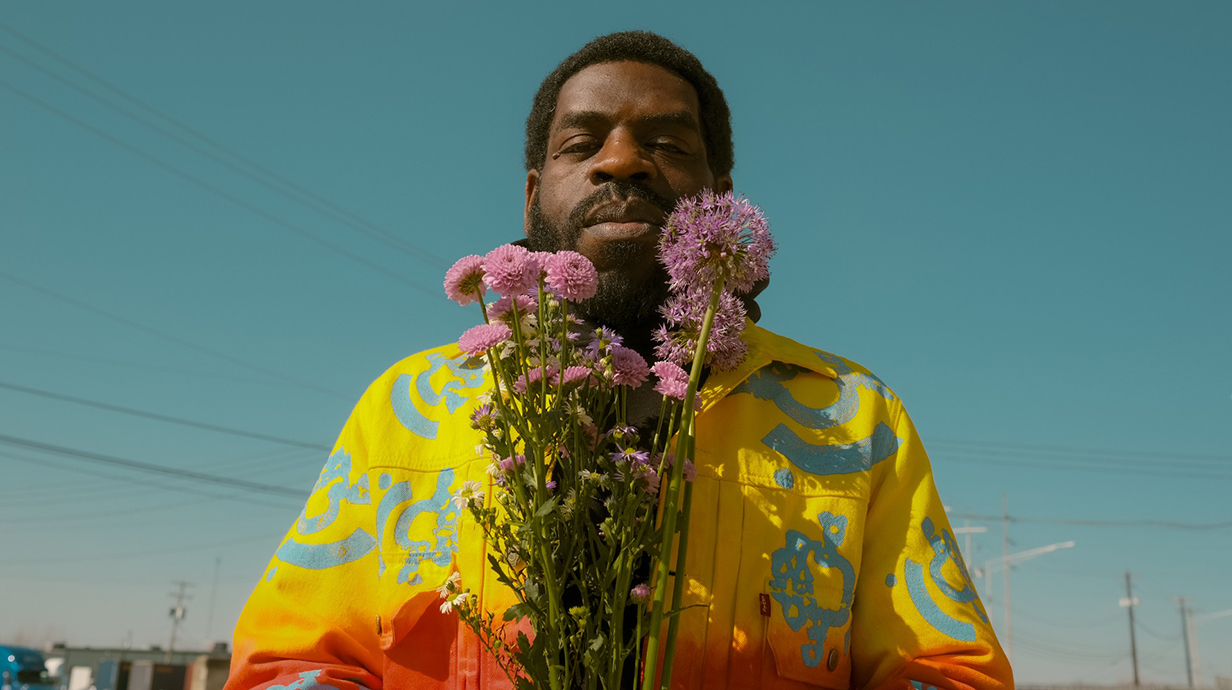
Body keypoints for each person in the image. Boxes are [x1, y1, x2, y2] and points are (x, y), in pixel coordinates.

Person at [224, 31, 1013, 690]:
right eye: (582, 143)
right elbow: (290, 665)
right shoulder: (403, 406)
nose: (625, 160)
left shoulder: (851, 414)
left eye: (668, 143)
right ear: (533, 195)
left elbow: (948, 672)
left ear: (722, 196)